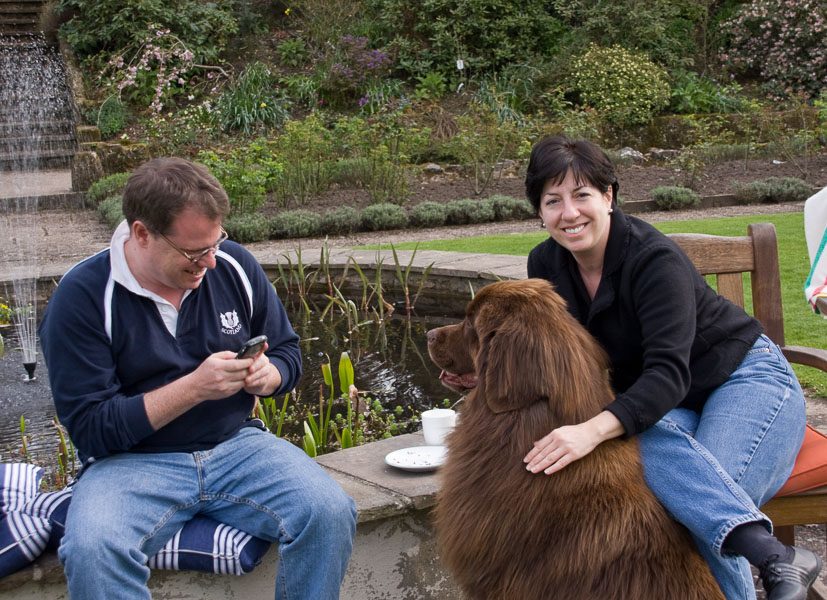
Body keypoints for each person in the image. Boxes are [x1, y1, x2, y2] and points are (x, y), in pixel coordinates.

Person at [38, 157, 357, 599]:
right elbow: (92, 430)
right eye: (193, 252)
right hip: (131, 464)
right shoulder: (82, 298)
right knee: (92, 549)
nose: (209, 261)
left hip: (237, 447)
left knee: (328, 511)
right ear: (142, 234)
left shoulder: (233, 266)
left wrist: (270, 376)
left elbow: (287, 350)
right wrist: (193, 388)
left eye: (215, 243)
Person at [521, 136, 822, 600]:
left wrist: (589, 430)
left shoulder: (652, 259)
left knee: (700, 512)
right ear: (540, 212)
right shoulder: (545, 264)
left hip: (745, 379)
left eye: (582, 195)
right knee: (633, 440)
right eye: (553, 201)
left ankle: (768, 556)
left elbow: (666, 373)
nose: (569, 213)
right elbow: (555, 354)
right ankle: (776, 556)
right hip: (665, 407)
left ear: (608, 196)